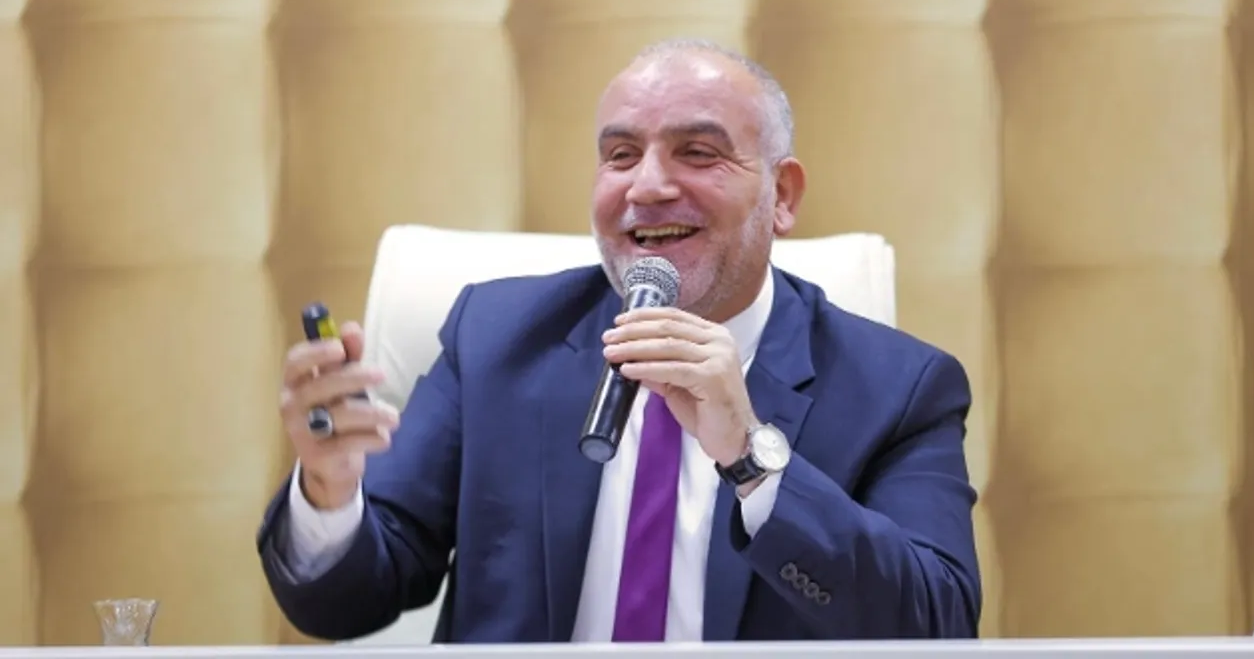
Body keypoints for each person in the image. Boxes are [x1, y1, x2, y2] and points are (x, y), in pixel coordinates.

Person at [256, 38, 982, 643]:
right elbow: (348, 603)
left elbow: (937, 625)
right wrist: (329, 492)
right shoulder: (497, 340)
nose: (648, 187)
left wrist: (754, 459)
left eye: (698, 152)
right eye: (622, 155)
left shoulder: (901, 389)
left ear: (781, 196)